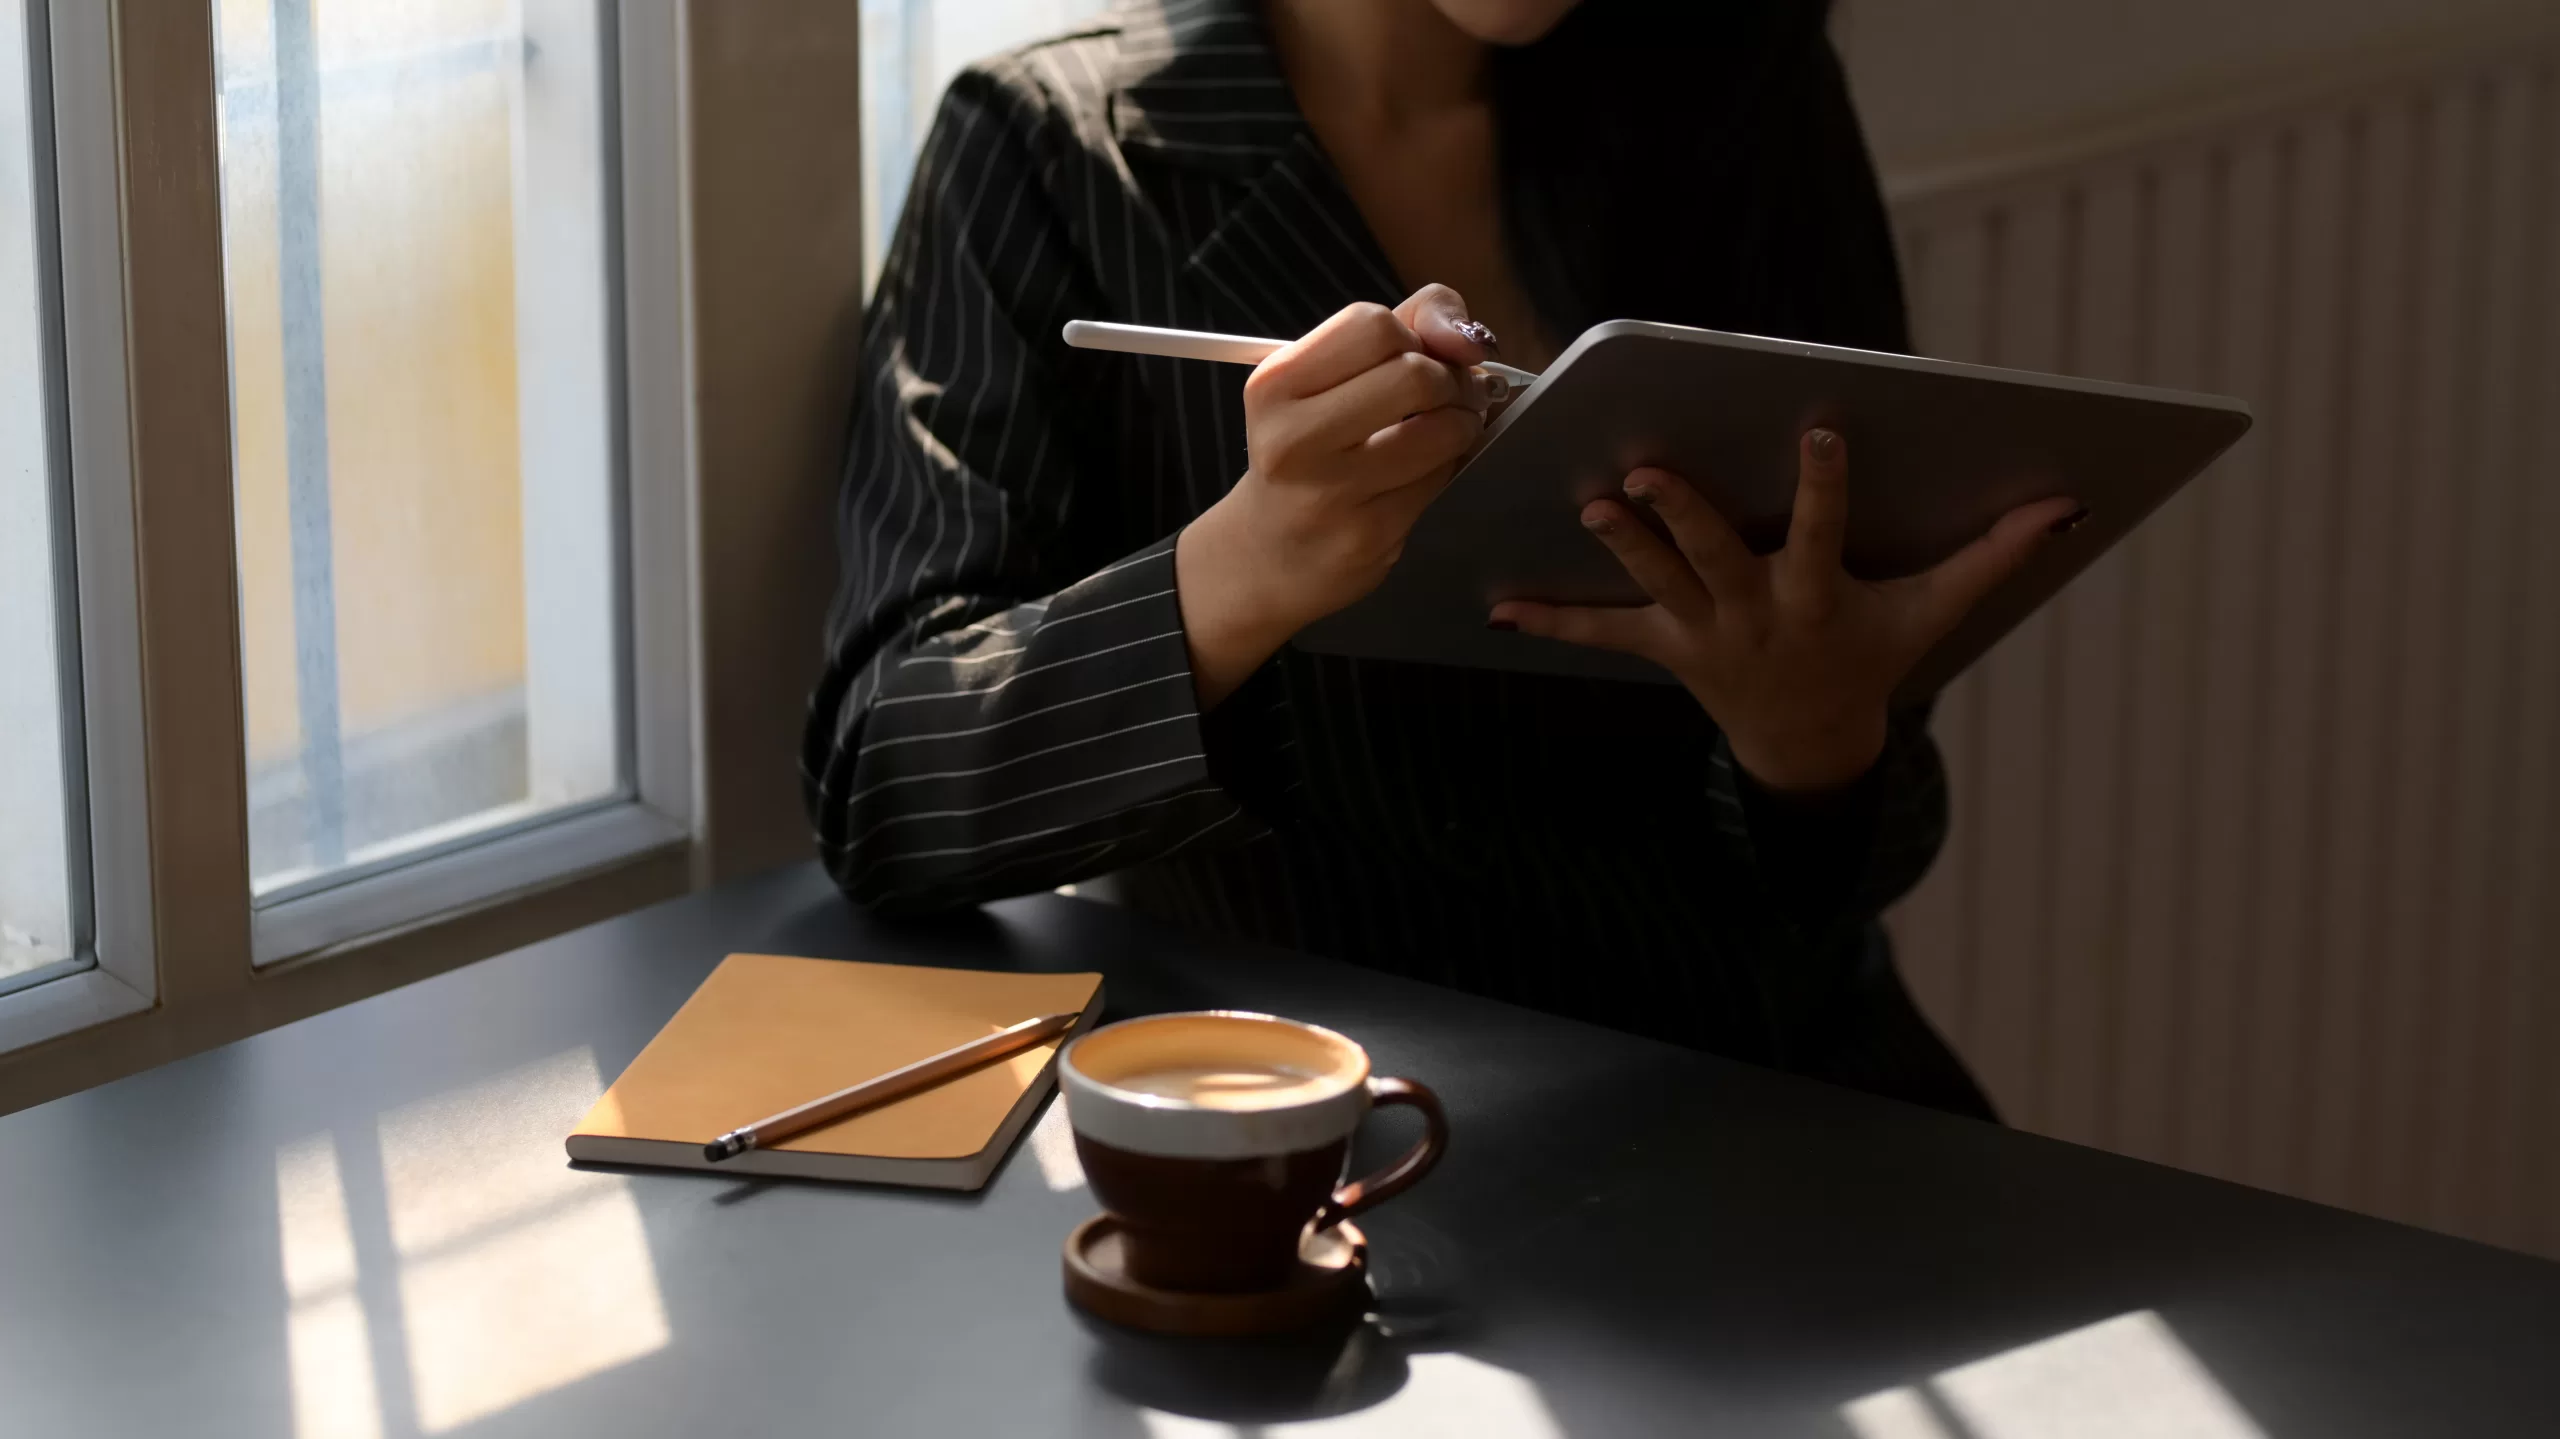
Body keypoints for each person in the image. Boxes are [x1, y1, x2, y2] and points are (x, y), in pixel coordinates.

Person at [802, 0, 2079, 1119]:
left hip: (1789, 1094)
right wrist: (1244, 569)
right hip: (1353, 1143)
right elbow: (887, 789)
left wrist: (1813, 745)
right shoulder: (1053, 146)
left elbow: (1869, 846)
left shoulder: (1747, 92)